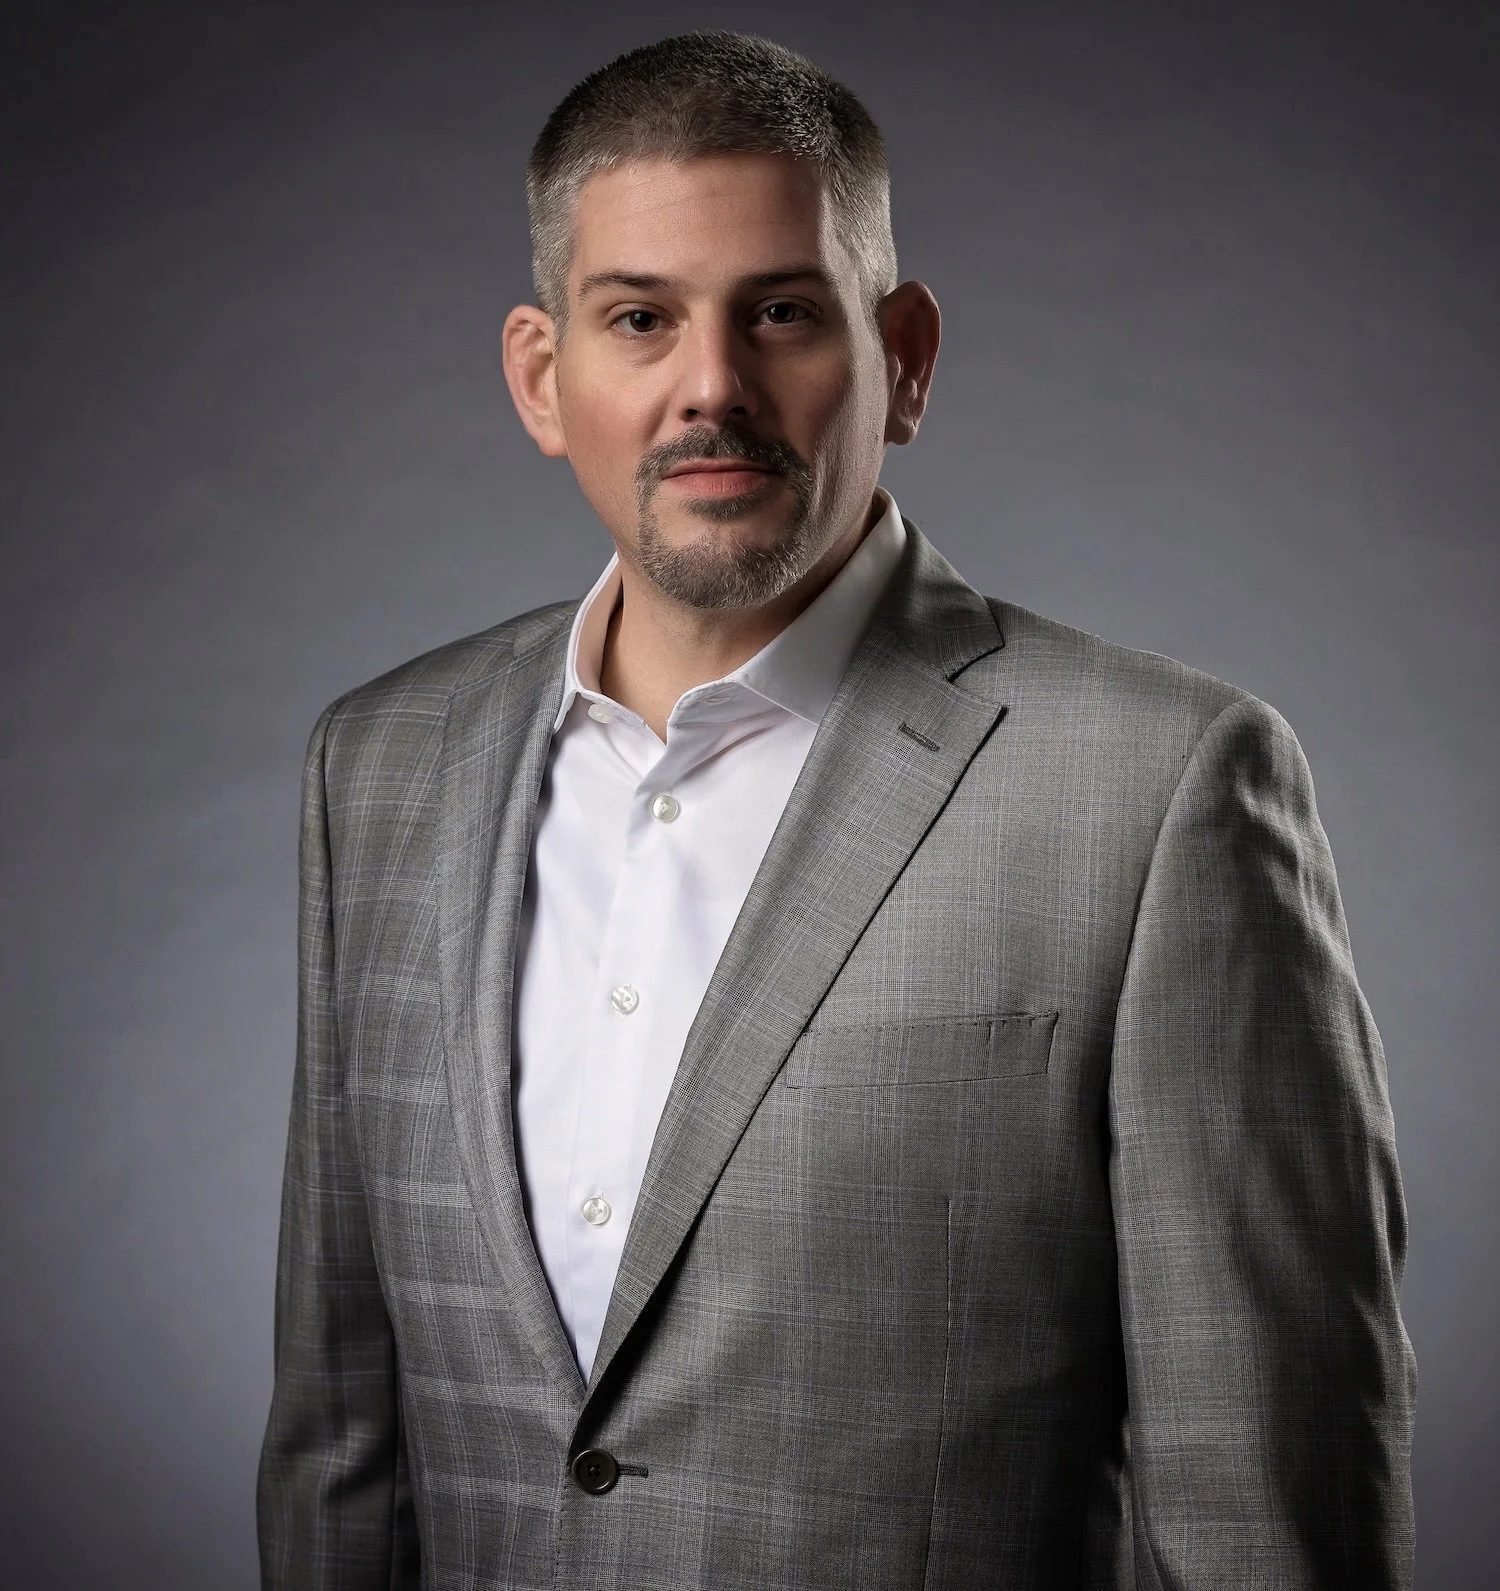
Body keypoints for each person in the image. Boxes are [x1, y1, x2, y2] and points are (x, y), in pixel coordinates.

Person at [256, 30, 1415, 1590]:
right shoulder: (380, 767)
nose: (710, 387)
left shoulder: (1159, 790)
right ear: (545, 375)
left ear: (907, 356)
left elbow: (1267, 1514)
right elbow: (343, 1447)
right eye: (640, 318)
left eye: (783, 314)